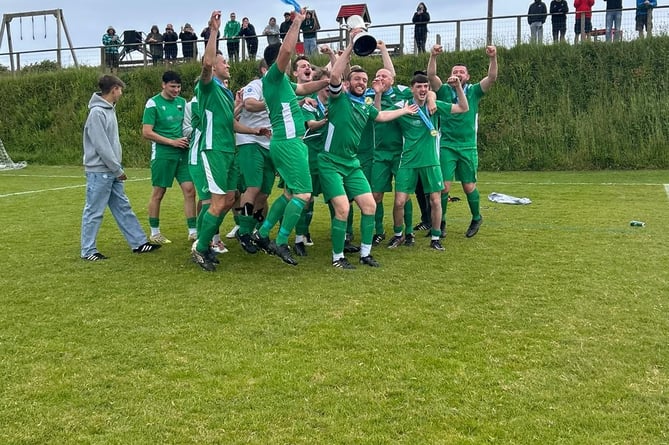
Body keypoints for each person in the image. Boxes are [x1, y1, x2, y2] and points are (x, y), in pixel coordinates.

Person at [321, 34, 419, 269]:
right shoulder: (339, 98)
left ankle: (365, 254)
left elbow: (382, 115)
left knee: (370, 206)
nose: (361, 82)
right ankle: (337, 258)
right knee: (343, 209)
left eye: (364, 80)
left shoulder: (366, 104)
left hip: (351, 163)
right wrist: (350, 47)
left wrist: (404, 111)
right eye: (357, 79)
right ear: (349, 82)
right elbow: (335, 75)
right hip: (330, 162)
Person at [251, 8, 330, 266]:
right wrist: (297, 21)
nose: (296, 59)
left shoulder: (283, 83)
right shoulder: (273, 77)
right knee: (304, 194)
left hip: (286, 143)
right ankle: (282, 241)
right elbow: (285, 52)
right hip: (288, 144)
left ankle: (263, 234)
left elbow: (304, 87)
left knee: (289, 194)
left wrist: (325, 81)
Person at [81, 75, 161, 261]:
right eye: (120, 89)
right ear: (114, 89)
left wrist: (116, 168)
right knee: (94, 211)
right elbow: (101, 146)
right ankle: (88, 250)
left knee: (123, 207)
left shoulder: (109, 110)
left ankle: (139, 243)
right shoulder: (97, 113)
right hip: (100, 171)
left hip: (111, 170)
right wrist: (117, 169)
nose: (121, 93)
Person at [389, 71, 468, 252]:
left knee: (435, 200)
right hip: (407, 161)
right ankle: (398, 234)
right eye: (419, 87)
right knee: (399, 201)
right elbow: (379, 114)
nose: (423, 90)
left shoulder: (434, 106)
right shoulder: (404, 108)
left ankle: (435, 237)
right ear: (412, 90)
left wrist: (457, 88)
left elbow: (463, 108)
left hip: (431, 161)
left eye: (426, 87)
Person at [427, 44, 498, 240]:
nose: (458, 74)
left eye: (462, 72)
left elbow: (491, 78)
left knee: (468, 186)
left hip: (467, 146)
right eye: (454, 71)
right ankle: (440, 224)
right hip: (447, 145)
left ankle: (476, 217)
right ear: (450, 75)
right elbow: (431, 76)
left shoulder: (474, 91)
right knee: (444, 187)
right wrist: (433, 56)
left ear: (467, 76)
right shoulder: (442, 91)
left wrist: (493, 58)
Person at [141, 70, 196, 245]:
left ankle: (193, 231)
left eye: (179, 86)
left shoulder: (182, 103)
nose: (176, 90)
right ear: (163, 85)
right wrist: (171, 142)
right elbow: (147, 132)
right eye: (173, 86)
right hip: (163, 154)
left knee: (190, 190)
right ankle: (155, 232)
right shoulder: (153, 103)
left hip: (182, 152)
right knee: (159, 192)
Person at [235, 60, 275, 254]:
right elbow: (249, 105)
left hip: (270, 144)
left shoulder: (281, 87)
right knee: (253, 187)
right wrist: (272, 101)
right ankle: (243, 231)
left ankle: (254, 230)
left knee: (264, 194)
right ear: (264, 70)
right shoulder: (255, 85)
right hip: (250, 141)